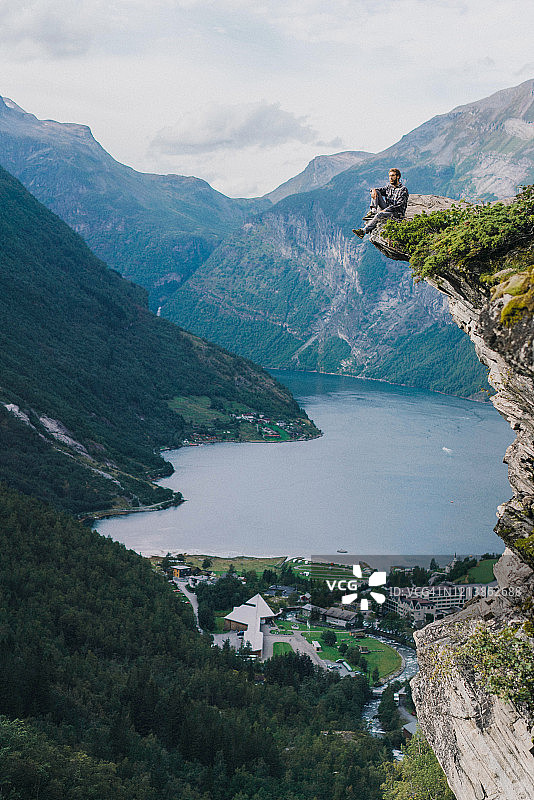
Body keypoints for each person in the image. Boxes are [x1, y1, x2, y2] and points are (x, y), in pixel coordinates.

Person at [352, 168, 408, 238]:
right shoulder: (389, 187)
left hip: (397, 213)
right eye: (390, 176)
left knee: (380, 214)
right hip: (387, 209)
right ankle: (373, 211)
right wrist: (373, 190)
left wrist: (386, 210)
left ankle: (363, 231)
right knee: (377, 192)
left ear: (398, 176)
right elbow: (379, 190)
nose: (390, 178)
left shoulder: (403, 189)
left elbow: (399, 205)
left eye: (393, 176)